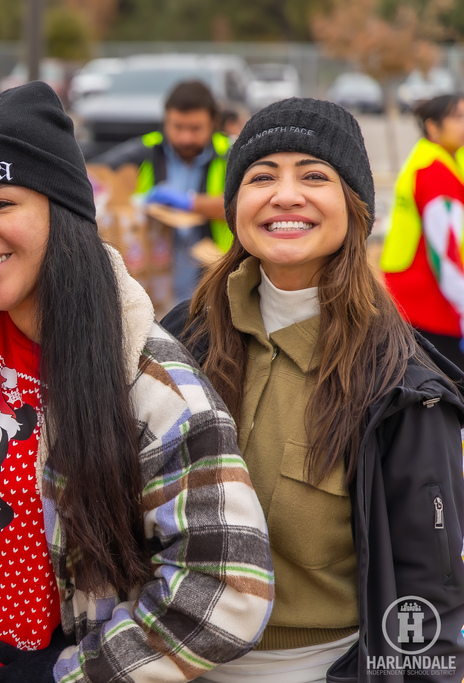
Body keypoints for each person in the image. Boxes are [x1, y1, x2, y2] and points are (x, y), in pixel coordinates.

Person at [0, 81, 274, 683]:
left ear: (62, 207)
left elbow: (229, 589)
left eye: (0, 203)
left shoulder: (147, 381)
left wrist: (67, 676)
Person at [162, 98, 464, 681]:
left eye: (314, 175)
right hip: (166, 662)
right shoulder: (180, 337)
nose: (286, 195)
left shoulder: (401, 384)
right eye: (262, 175)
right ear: (235, 206)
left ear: (354, 206)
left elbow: (433, 599)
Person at [95, 80, 232, 300]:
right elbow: (95, 176)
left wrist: (190, 203)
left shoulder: (231, 154)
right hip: (150, 281)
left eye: (195, 129)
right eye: (177, 127)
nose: (185, 137)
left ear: (213, 124)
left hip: (214, 279)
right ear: (165, 120)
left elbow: (243, 206)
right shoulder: (145, 151)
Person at [381, 94, 464, 370]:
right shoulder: (434, 171)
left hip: (417, 295)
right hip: (430, 301)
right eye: (457, 117)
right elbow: (445, 251)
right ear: (432, 127)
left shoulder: (436, 158)